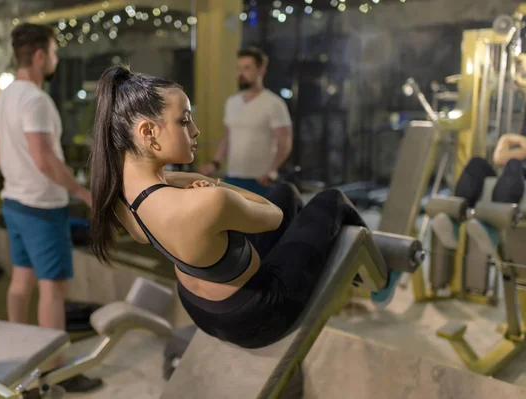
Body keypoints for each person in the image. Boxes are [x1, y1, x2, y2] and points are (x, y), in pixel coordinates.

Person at [88, 65, 401, 350]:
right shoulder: (207, 201)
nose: (195, 130)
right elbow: (272, 216)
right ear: (147, 132)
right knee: (331, 200)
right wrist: (214, 186)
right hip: (258, 316)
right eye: (184, 120)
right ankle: (382, 279)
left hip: (199, 309)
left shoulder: (119, 198)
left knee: (287, 192)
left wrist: (195, 179)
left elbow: (170, 186)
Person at [0, 23, 102, 393]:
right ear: (39, 56)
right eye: (53, 52)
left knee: (21, 282)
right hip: (41, 207)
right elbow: (44, 159)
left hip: (14, 203)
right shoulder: (36, 100)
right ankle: (56, 372)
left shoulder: (1, 100)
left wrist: (19, 178)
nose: (56, 58)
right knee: (52, 290)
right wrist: (83, 194)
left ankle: (20, 367)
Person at [197, 47, 293, 197]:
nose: (241, 73)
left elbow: (284, 142)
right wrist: (214, 163)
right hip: (233, 177)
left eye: (247, 68)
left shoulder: (274, 103)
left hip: (261, 180)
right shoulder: (232, 102)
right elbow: (227, 138)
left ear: (261, 71)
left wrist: (272, 170)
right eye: (239, 68)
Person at [431, 133, 526, 255]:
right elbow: (498, 158)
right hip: (512, 174)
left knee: (513, 164)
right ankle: (453, 221)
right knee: (476, 164)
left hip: (517, 175)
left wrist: (517, 146)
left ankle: (492, 230)